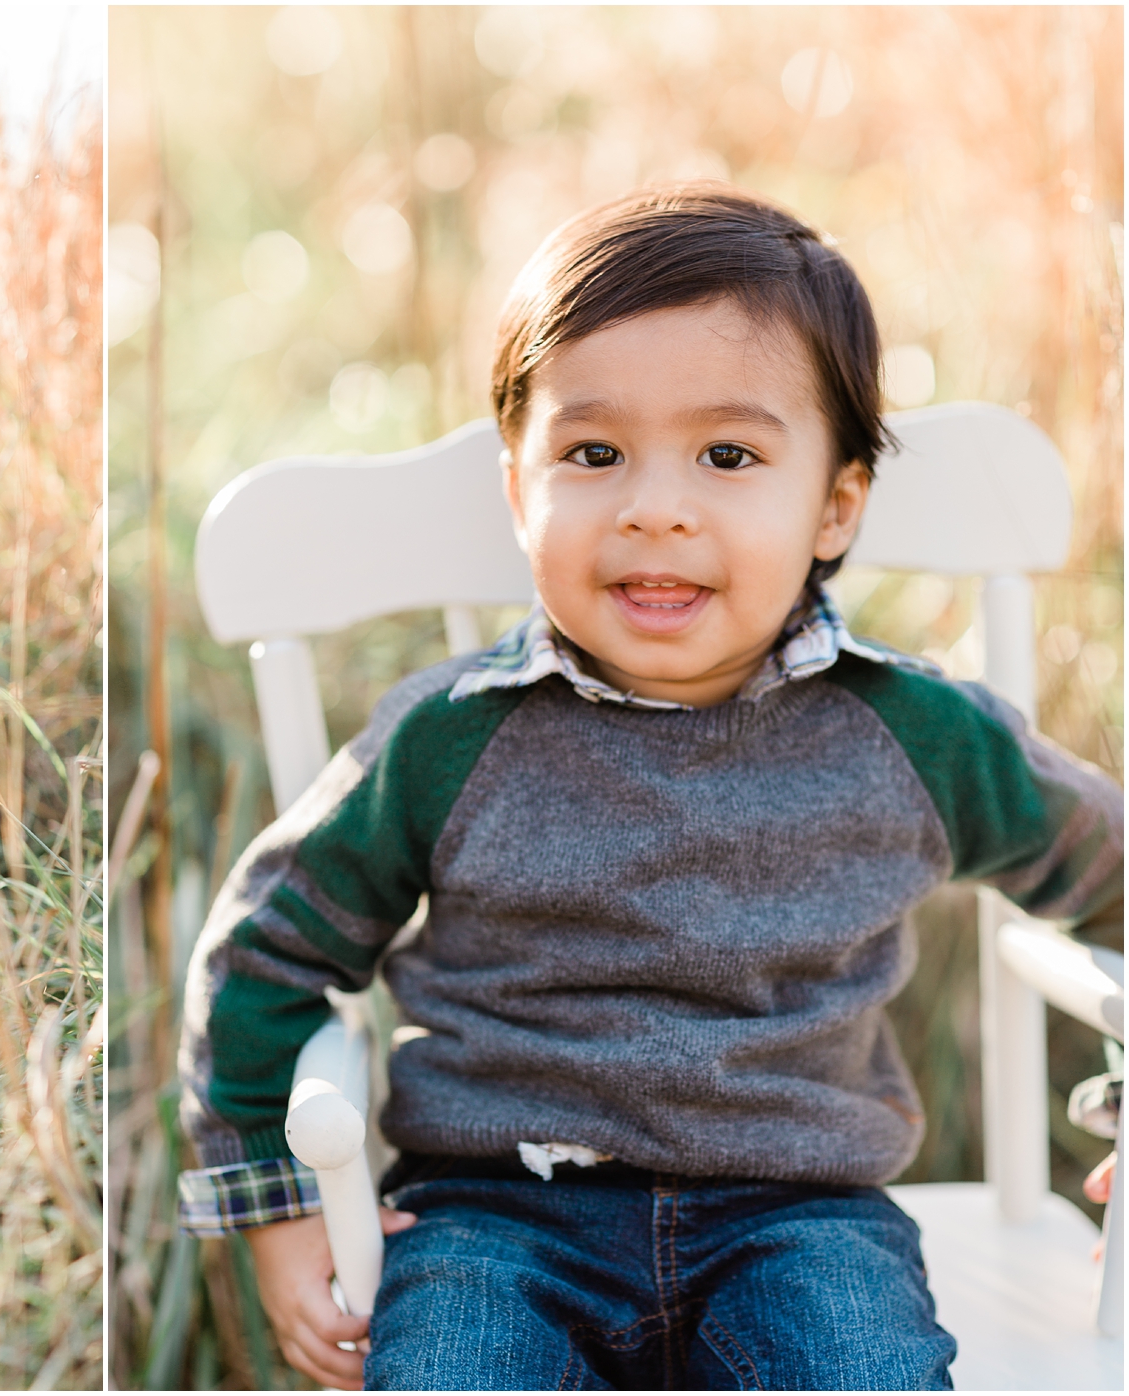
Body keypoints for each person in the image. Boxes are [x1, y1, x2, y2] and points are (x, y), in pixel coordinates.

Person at [174, 184, 1123, 1390]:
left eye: (727, 455)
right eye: (591, 453)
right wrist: (275, 1207)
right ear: (519, 490)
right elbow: (266, 949)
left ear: (833, 505)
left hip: (799, 1217)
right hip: (495, 1217)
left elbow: (1109, 870)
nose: (654, 508)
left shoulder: (914, 737)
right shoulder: (449, 741)